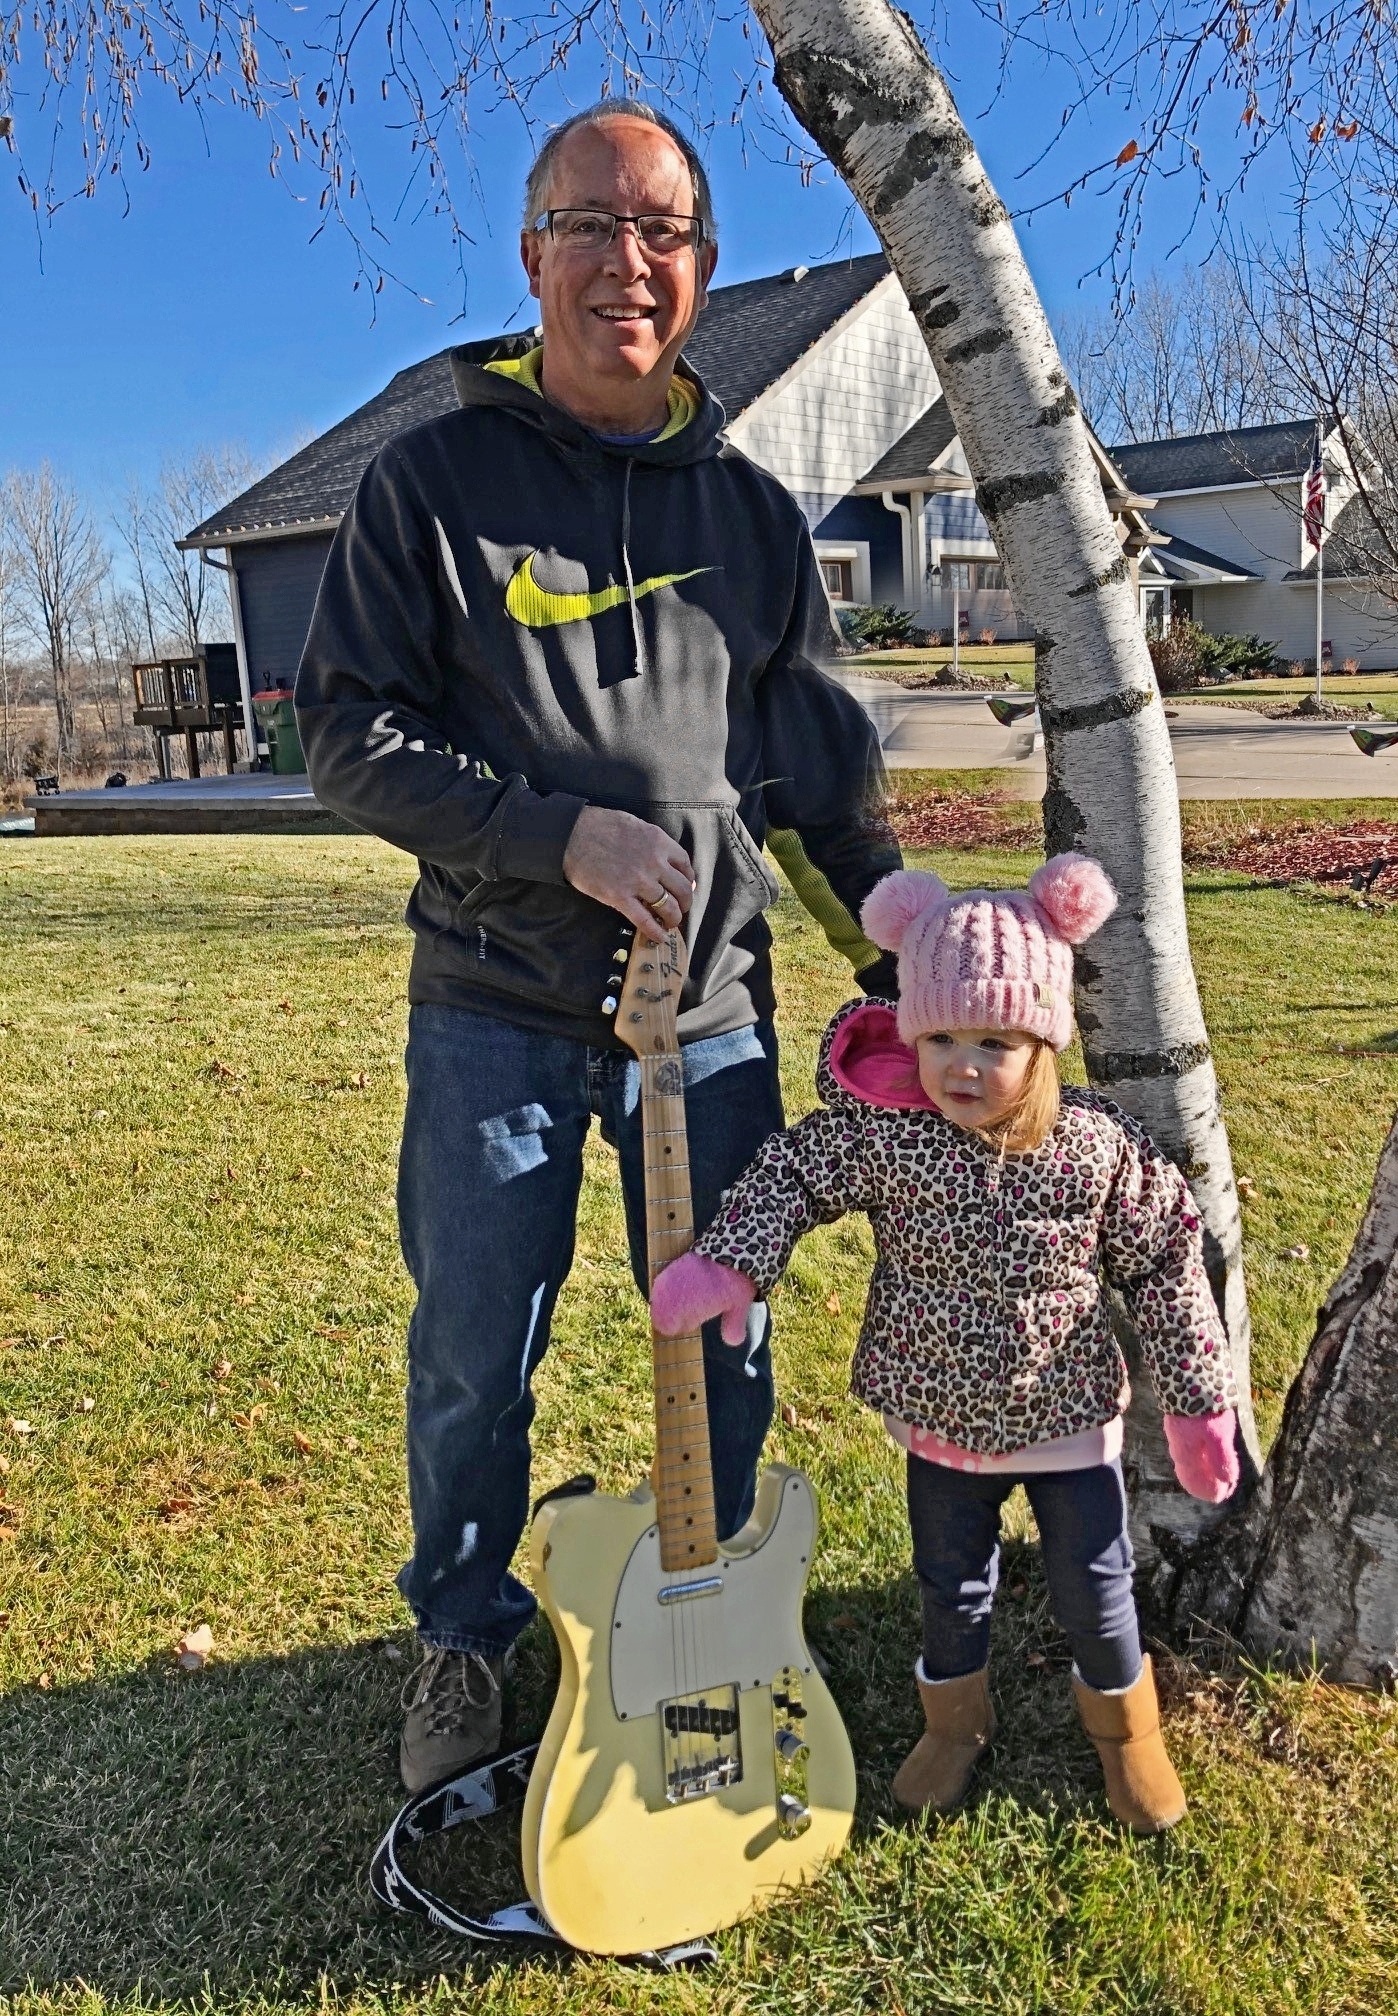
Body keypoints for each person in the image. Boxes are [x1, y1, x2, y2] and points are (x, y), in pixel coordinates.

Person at [295, 100, 901, 1791]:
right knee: (472, 1354)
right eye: (590, 225)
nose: (625, 264)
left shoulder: (753, 520)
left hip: (704, 1024)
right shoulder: (429, 485)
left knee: (724, 1338)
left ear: (699, 269)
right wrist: (555, 835)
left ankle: (710, 1612)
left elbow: (826, 793)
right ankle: (461, 1635)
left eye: (661, 232)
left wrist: (901, 959)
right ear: (530, 256)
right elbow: (345, 731)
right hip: (494, 1011)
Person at [651, 855, 1240, 1834]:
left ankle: (1128, 1738)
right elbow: (795, 1174)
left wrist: (1196, 1401)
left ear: (1044, 1042)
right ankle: (954, 1726)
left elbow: (1168, 1264)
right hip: (940, 1425)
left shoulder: (1097, 1149)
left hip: (1068, 1426)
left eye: (996, 1040)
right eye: (943, 1037)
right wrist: (733, 1263)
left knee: (1095, 1590)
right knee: (951, 1584)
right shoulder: (891, 1137)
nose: (963, 1064)